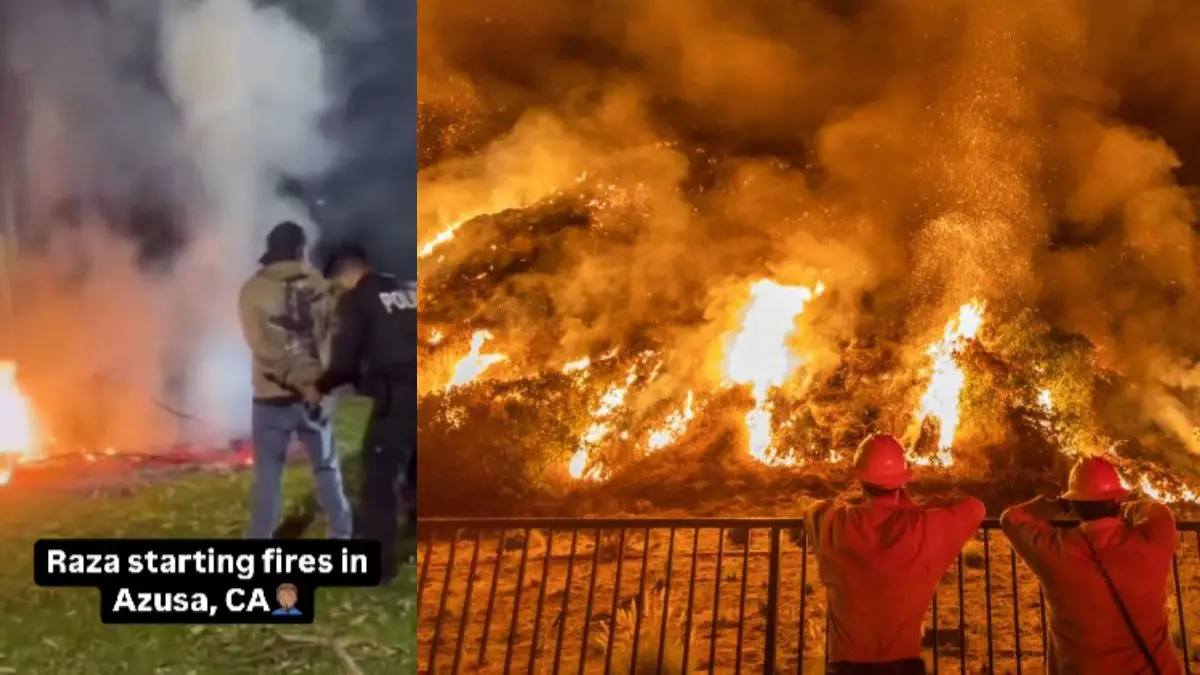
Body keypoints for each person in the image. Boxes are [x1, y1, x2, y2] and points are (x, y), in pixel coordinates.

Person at [805, 433, 985, 674]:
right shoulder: (924, 526)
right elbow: (975, 507)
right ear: (902, 480)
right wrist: (917, 506)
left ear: (860, 479)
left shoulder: (834, 523)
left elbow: (814, 509)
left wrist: (856, 502)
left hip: (843, 667)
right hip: (902, 667)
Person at [1001, 456, 1182, 675]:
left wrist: (1059, 505)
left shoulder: (1054, 551)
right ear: (1115, 500)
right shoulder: (1152, 541)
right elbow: (1158, 511)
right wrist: (1122, 507)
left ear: (1074, 504)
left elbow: (1010, 518)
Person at [305, 243, 417, 585]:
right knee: (418, 467)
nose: (337, 290)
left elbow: (343, 363)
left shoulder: (356, 300)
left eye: (336, 283)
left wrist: (319, 387)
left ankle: (378, 567)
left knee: (380, 476)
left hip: (398, 395)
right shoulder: (406, 289)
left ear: (345, 274)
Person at [238, 221, 353, 540]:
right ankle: (342, 535)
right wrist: (318, 384)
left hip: (272, 396)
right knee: (326, 468)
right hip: (314, 395)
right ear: (300, 249)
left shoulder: (252, 291)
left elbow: (262, 348)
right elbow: (334, 335)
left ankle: (260, 541)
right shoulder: (320, 285)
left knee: (269, 476)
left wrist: (294, 379)